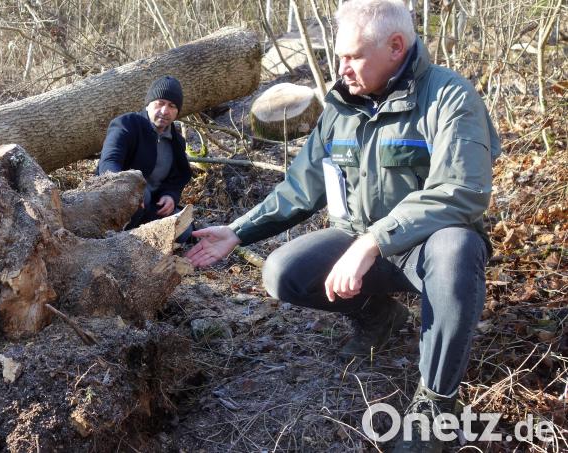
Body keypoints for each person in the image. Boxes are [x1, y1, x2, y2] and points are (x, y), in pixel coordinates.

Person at [185, 1, 500, 451]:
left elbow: (463, 190)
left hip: (423, 247)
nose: (341, 66)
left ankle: (435, 404)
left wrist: (376, 239)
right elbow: (301, 186)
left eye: (351, 56)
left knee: (458, 248)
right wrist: (239, 231)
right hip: (358, 239)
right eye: (339, 55)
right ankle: (379, 318)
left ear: (395, 46)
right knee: (281, 272)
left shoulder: (448, 96)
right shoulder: (340, 106)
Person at [98, 75, 192, 230]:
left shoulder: (177, 141)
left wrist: (170, 196)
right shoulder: (126, 124)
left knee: (185, 230)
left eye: (172, 106)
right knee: (143, 193)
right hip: (115, 201)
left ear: (177, 112)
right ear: (148, 105)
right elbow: (109, 162)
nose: (165, 110)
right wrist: (128, 192)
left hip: (152, 207)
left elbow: (176, 180)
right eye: (160, 103)